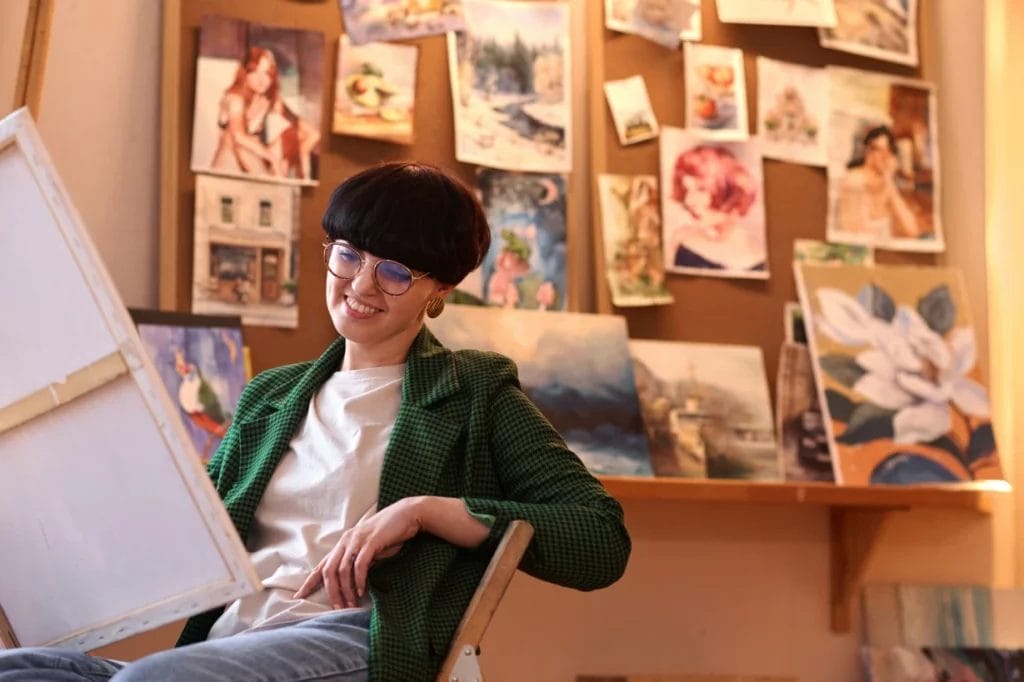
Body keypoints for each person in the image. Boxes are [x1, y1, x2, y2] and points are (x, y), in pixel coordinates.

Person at [0, 162, 631, 682]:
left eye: (394, 270)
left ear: (439, 290)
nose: (361, 283)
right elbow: (193, 532)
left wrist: (426, 509)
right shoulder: (272, 396)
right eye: (349, 254)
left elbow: (599, 540)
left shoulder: (475, 393)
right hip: (229, 643)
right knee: (20, 670)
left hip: (352, 638)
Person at [210, 46, 320, 181]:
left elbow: (312, 133)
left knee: (288, 134)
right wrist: (271, 157)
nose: (261, 79)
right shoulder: (234, 98)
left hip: (252, 164)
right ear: (245, 72)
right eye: (255, 72)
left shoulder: (268, 99)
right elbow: (238, 137)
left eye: (267, 73)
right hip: (229, 164)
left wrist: (297, 153)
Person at [668, 145, 764, 272]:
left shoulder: (760, 256)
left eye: (700, 190)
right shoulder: (683, 241)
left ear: (731, 191)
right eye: (686, 190)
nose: (688, 201)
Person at [835, 125, 919, 240]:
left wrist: (889, 182)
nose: (885, 157)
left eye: (888, 151)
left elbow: (912, 230)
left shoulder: (886, 183)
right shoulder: (854, 180)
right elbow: (857, 234)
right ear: (868, 151)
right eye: (880, 150)